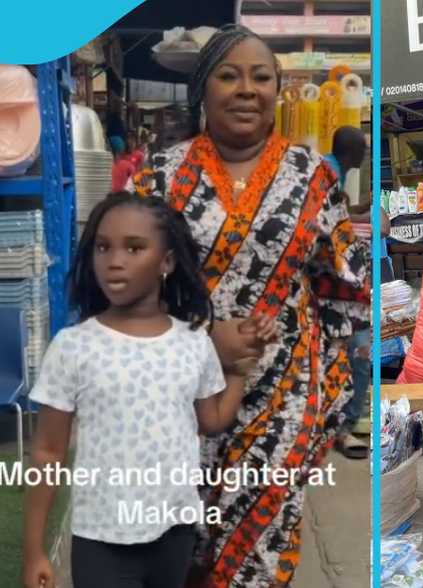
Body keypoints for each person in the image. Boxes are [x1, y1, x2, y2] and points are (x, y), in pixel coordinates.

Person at [129, 25, 370, 586]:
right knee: (186, 541)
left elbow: (343, 284)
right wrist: (200, 339)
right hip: (180, 391)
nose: (246, 89)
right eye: (228, 76)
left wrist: (331, 386)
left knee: (261, 544)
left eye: (260, 77)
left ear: (276, 91)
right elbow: (125, 283)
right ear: (203, 89)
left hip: (284, 391)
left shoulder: (312, 177)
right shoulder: (159, 176)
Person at [21, 193, 266, 588]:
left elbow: (211, 421)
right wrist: (34, 550)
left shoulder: (193, 343)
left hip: (174, 531)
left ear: (166, 262)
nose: (114, 260)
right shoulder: (74, 347)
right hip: (100, 537)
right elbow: (48, 451)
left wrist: (239, 371)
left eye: (134, 248)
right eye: (103, 247)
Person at [324, 126, 373, 459]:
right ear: (352, 151)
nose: (365, 154)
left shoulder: (332, 171)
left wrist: (357, 211)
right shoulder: (327, 175)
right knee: (357, 353)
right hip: (336, 285)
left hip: (342, 285)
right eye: (363, 149)